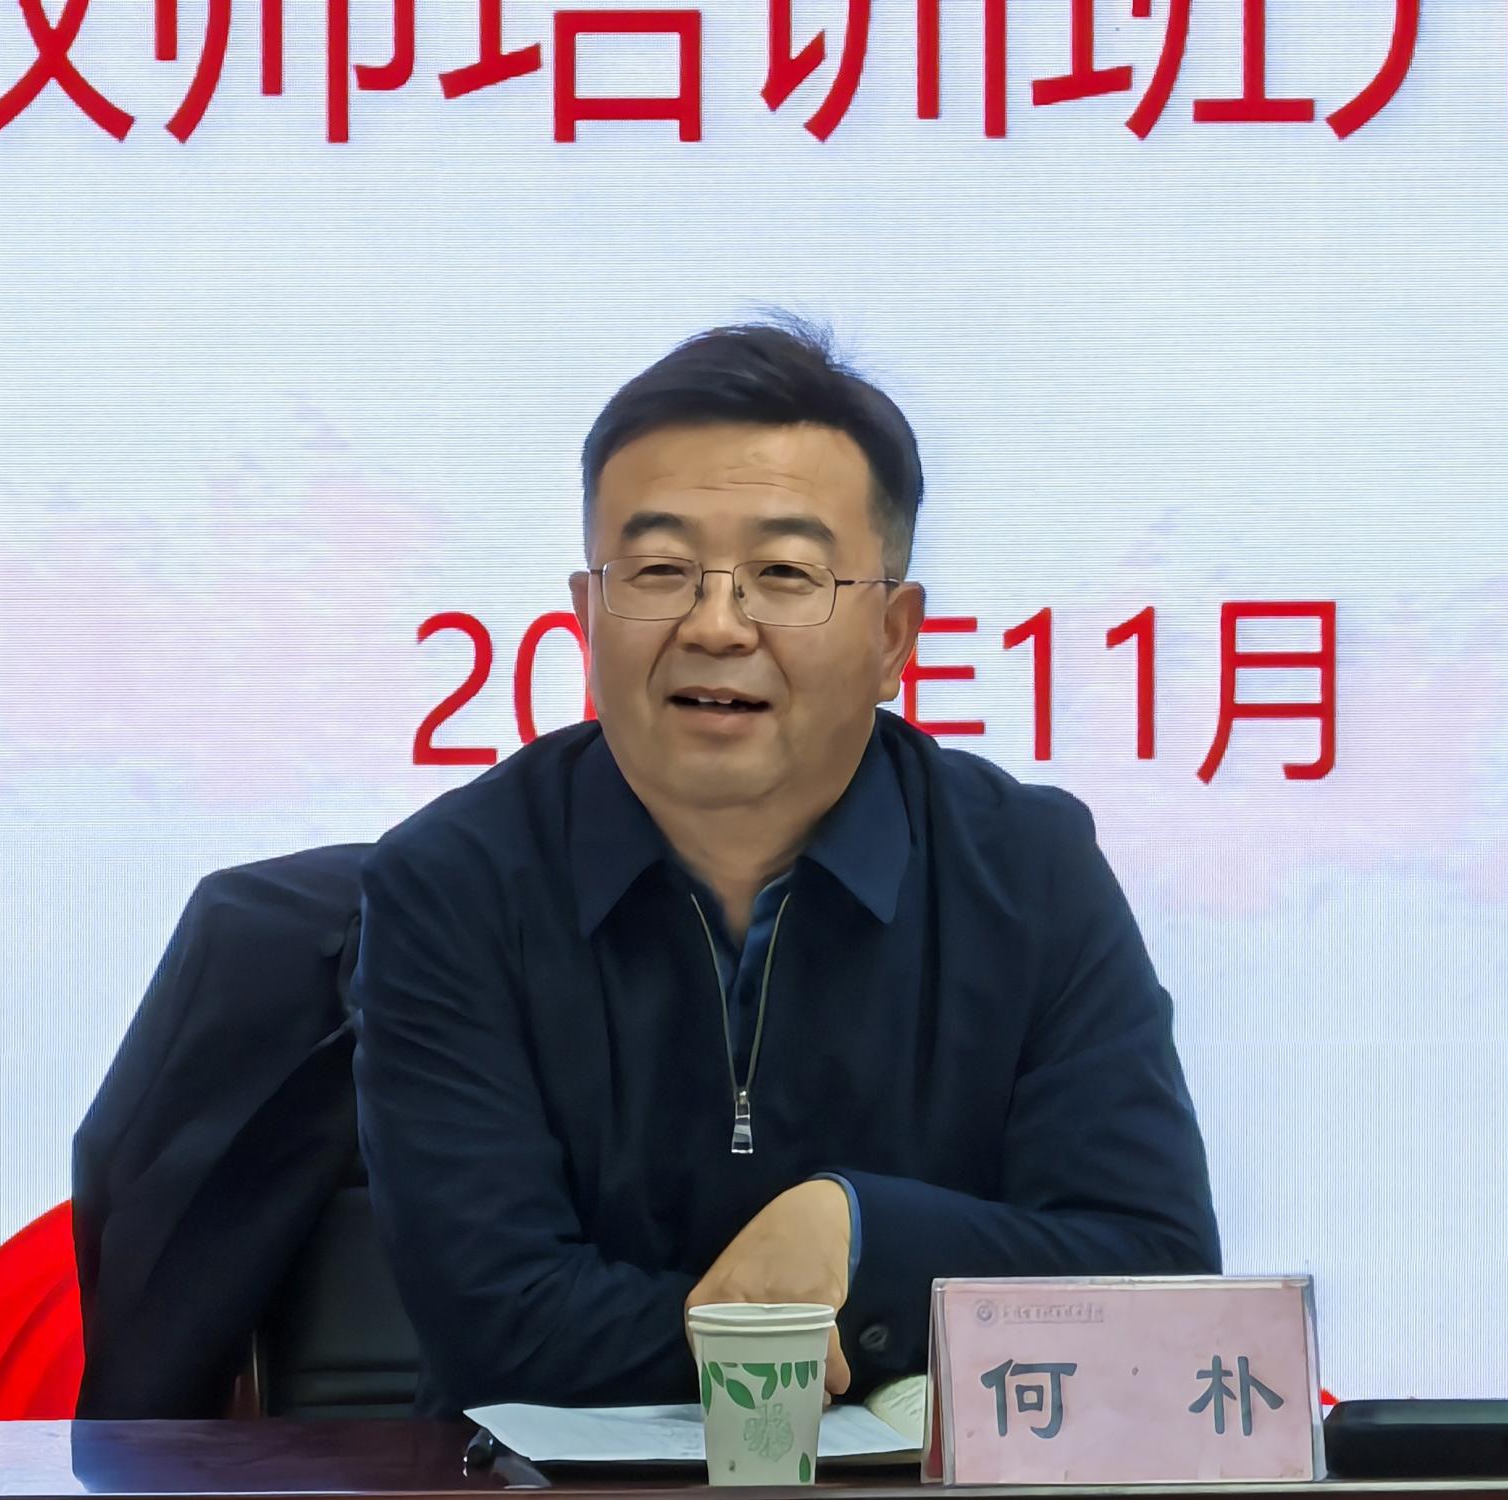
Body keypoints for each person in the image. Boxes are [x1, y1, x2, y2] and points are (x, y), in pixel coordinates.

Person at [350, 316, 1220, 1419]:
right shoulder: (452, 885)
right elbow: (498, 1327)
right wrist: (795, 1333)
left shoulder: (1028, 872)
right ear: (585, 615)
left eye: (784, 573)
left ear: (894, 635)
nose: (716, 625)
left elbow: (1155, 1284)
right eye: (659, 571)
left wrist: (861, 1233)